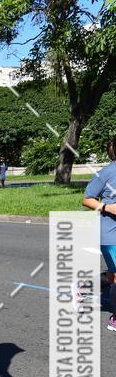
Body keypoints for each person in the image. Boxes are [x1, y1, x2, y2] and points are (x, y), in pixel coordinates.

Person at [82, 136, 116, 331]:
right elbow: (87, 199)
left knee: (113, 274)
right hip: (110, 232)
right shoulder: (106, 173)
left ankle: (85, 287)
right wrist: (107, 207)